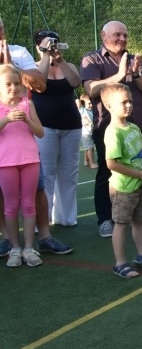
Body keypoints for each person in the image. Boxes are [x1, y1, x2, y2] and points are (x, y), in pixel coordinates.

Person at [0, 20, 74, 258]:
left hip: (22, 141)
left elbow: (40, 85)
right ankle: (6, 239)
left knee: (38, 188)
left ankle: (43, 237)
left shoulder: (19, 52)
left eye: (0, 27)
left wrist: (11, 66)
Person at [81, 20, 142, 237]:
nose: (122, 39)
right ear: (103, 35)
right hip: (107, 128)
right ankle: (106, 218)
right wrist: (120, 74)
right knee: (108, 172)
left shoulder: (134, 59)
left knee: (138, 169)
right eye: (117, 35)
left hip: (135, 126)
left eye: (125, 35)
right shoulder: (91, 58)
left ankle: (136, 215)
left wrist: (136, 74)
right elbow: (91, 88)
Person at [102, 84, 142, 279]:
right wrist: (139, 175)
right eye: (123, 102)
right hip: (123, 188)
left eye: (130, 101)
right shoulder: (113, 132)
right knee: (121, 224)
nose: (128, 105)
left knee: (138, 221)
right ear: (109, 106)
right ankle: (119, 263)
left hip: (137, 185)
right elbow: (111, 163)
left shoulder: (133, 127)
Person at [32, 30, 82, 227]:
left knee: (69, 173)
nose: (51, 47)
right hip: (45, 126)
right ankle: (42, 221)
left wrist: (59, 60)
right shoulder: (34, 68)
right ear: (38, 47)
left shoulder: (67, 65)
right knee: (46, 173)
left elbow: (76, 83)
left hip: (71, 125)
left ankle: (66, 218)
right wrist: (45, 56)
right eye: (45, 44)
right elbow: (40, 84)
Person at [0, 65, 44, 267]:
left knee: (29, 205)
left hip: (30, 161)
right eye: (8, 84)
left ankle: (28, 248)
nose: (13, 88)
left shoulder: (27, 104)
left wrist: (26, 119)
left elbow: (40, 132)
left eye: (17, 84)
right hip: (6, 163)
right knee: (10, 207)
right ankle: (14, 248)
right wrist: (7, 119)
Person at [79, 94, 98, 168]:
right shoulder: (82, 110)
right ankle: (92, 163)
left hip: (91, 132)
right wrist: (82, 101)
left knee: (88, 147)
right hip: (85, 133)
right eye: (89, 103)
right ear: (83, 103)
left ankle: (86, 161)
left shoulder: (92, 111)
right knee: (90, 148)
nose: (91, 105)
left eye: (91, 103)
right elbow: (77, 101)